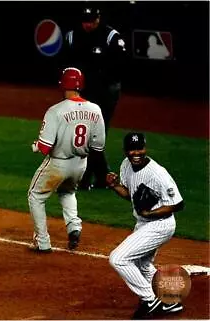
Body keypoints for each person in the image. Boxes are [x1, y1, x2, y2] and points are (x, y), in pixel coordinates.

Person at [106, 132, 184, 319]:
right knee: (142, 264)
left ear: (145, 148)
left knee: (118, 258)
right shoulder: (126, 165)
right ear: (125, 151)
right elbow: (131, 195)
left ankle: (150, 300)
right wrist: (115, 185)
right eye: (132, 149)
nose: (136, 153)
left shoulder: (157, 174)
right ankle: (169, 300)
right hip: (144, 223)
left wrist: (150, 213)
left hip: (160, 224)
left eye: (139, 148)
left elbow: (178, 203)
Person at [28, 67, 107, 252]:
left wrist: (36, 145)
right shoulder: (95, 109)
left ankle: (43, 242)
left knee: (35, 196)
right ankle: (74, 227)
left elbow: (45, 147)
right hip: (81, 165)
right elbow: (98, 147)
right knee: (68, 192)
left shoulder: (56, 110)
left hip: (58, 164)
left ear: (63, 85)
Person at [63, 7, 127, 189]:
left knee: (95, 136)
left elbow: (120, 67)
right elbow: (64, 65)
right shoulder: (72, 36)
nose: (88, 24)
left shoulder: (111, 37)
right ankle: (102, 178)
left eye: (91, 20)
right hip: (82, 93)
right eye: (85, 20)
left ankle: (85, 179)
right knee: (84, 135)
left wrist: (98, 78)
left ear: (99, 18)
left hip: (106, 92)